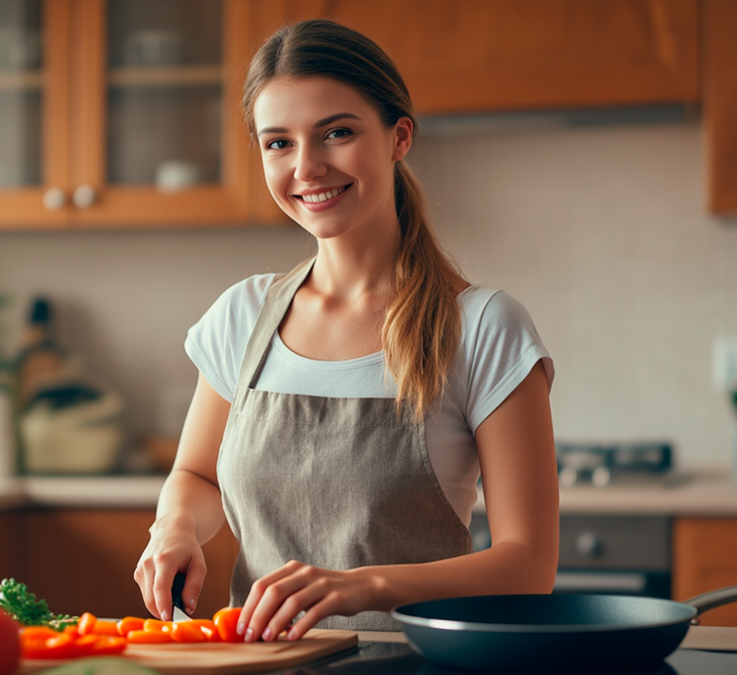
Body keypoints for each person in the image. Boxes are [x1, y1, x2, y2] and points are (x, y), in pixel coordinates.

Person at [134, 18, 558, 641]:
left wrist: (363, 587)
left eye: (337, 133)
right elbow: (196, 477)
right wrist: (174, 526)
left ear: (398, 137)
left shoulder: (483, 327)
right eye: (279, 143)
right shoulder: (242, 316)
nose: (307, 167)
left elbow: (529, 565)